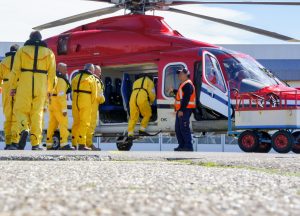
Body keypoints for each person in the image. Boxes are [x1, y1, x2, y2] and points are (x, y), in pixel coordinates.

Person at [10, 31, 56, 150]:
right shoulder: (49, 53)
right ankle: (36, 144)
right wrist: (50, 90)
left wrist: (13, 87)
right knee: (37, 114)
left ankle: (24, 128)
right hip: (41, 86)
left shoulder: (21, 51)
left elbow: (15, 71)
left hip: (24, 84)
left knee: (20, 110)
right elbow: (52, 75)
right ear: (41, 39)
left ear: (30, 38)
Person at [46, 63, 73, 150]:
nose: (66, 71)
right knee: (63, 123)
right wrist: (64, 109)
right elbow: (61, 95)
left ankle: (49, 144)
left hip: (51, 104)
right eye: (65, 69)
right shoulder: (61, 80)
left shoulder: (52, 78)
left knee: (52, 125)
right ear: (59, 69)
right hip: (58, 104)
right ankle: (64, 143)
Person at [71, 63, 97, 150]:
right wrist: (91, 104)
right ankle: (82, 144)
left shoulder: (76, 77)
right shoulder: (91, 78)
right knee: (84, 123)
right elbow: (94, 94)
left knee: (76, 123)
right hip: (86, 102)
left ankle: (74, 144)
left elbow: (72, 91)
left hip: (75, 102)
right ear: (91, 70)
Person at [169, 68, 196, 152]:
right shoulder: (183, 84)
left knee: (184, 128)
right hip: (181, 110)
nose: (179, 76)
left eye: (181, 74)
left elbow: (186, 98)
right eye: (178, 74)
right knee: (178, 128)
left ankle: (188, 146)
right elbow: (181, 95)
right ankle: (181, 145)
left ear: (186, 74)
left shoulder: (187, 84)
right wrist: (173, 90)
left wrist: (181, 110)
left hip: (185, 110)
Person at [0, 44, 19, 150]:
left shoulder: (3, 62)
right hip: (17, 87)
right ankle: (14, 142)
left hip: (6, 88)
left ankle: (7, 142)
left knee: (8, 117)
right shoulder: (20, 60)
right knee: (16, 116)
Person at [127, 74, 156, 138]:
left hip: (132, 98)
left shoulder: (136, 81)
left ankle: (130, 133)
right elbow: (152, 94)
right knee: (147, 114)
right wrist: (151, 102)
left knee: (133, 117)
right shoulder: (150, 82)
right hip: (142, 97)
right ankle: (142, 130)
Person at [86, 65, 105, 151]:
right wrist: (103, 100)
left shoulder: (91, 79)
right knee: (91, 126)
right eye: (99, 71)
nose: (100, 73)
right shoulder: (96, 80)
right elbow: (99, 95)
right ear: (95, 71)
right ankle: (89, 144)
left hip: (89, 105)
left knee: (86, 125)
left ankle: (84, 143)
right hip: (93, 106)